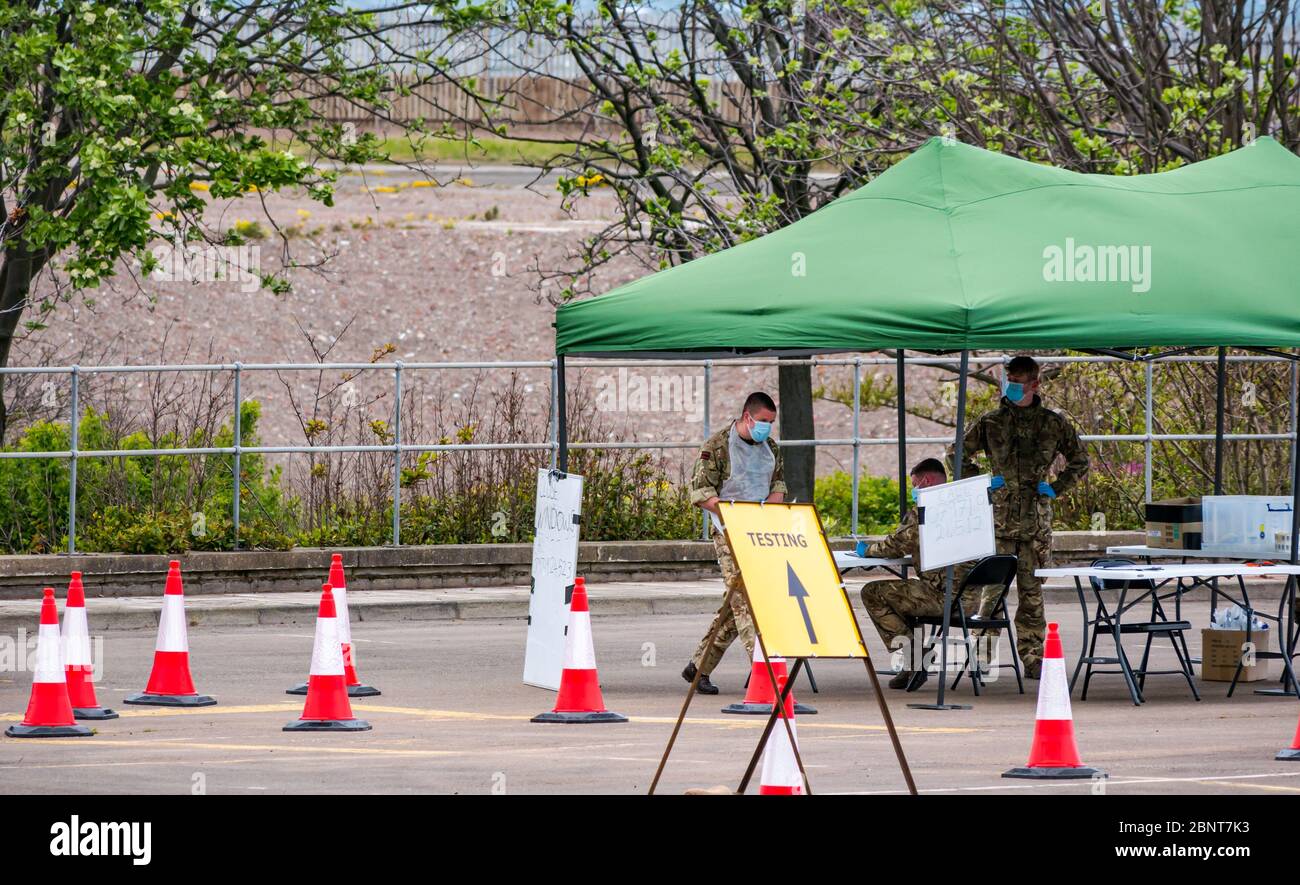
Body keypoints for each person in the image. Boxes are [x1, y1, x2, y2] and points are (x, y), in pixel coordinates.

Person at [948, 355, 1089, 679]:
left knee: (1031, 595)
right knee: (991, 591)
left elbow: (1080, 461)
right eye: (1007, 380)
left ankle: (1033, 656)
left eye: (1017, 382)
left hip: (1034, 524)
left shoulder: (1053, 423)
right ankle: (981, 657)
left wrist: (1056, 487)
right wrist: (982, 483)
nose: (1010, 387)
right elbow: (956, 454)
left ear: (1035, 384)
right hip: (999, 522)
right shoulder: (992, 422)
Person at [682, 391, 786, 695]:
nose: (767, 427)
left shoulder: (771, 448)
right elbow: (701, 492)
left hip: (760, 530)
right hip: (727, 528)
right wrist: (733, 513)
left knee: (735, 603)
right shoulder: (716, 446)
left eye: (771, 422)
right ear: (747, 417)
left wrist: (766, 513)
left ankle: (699, 666)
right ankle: (764, 668)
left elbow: (778, 486)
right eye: (764, 421)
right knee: (744, 595)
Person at [859, 459, 988, 691]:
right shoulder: (965, 508)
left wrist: (866, 550)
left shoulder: (928, 509)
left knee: (873, 592)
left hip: (944, 597)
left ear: (926, 481)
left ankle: (916, 656)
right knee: (903, 595)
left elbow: (896, 545)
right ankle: (912, 665)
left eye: (915, 484)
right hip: (970, 600)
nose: (914, 490)